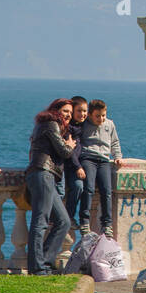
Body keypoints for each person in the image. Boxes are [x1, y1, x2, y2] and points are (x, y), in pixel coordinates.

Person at [26, 98, 76, 275]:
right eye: (65, 111)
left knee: (63, 221)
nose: (68, 115)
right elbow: (64, 152)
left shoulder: (49, 126)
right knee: (40, 222)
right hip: (42, 174)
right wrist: (69, 145)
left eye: (70, 113)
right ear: (56, 111)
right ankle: (36, 267)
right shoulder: (50, 124)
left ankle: (45, 262)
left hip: (47, 176)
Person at [78, 100, 132, 236]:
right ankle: (84, 221)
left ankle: (107, 224)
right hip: (88, 158)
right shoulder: (84, 125)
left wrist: (118, 156)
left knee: (106, 191)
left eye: (103, 115)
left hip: (104, 160)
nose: (101, 119)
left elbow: (115, 142)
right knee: (88, 188)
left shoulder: (109, 124)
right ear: (90, 114)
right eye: (97, 116)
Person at [63, 96, 89, 226]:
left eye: (85, 111)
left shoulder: (83, 126)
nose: (82, 114)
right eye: (79, 111)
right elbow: (70, 151)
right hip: (67, 166)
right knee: (61, 191)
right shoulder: (68, 128)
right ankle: (64, 218)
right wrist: (78, 167)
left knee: (79, 187)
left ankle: (69, 216)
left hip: (76, 166)